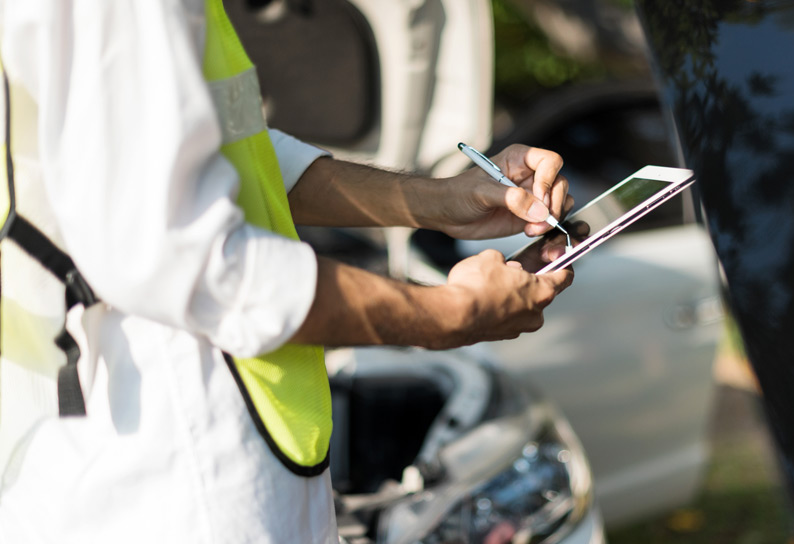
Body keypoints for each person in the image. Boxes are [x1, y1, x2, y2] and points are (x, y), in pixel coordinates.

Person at [0, 1, 573, 542]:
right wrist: (449, 314)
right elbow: (193, 261)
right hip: (175, 481)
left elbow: (228, 149)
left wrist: (434, 200)